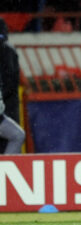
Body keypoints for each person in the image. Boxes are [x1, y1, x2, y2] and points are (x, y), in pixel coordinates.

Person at [0, 18, 25, 154]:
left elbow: (9, 81)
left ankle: (6, 171)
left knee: (16, 136)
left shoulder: (6, 51)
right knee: (16, 136)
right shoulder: (7, 50)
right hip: (6, 107)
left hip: (6, 107)